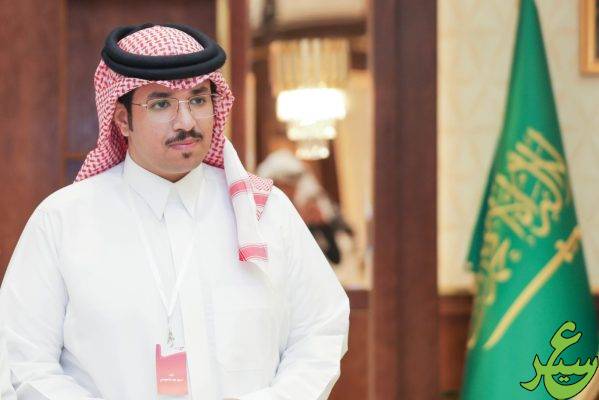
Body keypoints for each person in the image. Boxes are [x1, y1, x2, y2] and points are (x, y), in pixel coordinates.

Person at [0, 23, 349, 400]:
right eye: (161, 103)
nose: (186, 122)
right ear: (122, 119)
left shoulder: (266, 213)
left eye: (198, 100)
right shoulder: (63, 220)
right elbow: (22, 359)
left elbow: (319, 332)